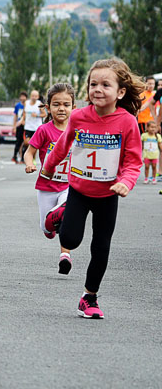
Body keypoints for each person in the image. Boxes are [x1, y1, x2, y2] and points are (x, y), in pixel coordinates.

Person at [42, 58, 143, 319]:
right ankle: (60, 214)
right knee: (70, 240)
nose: (97, 89)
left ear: (120, 92)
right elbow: (63, 146)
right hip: (79, 189)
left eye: (105, 85)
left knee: (101, 247)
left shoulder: (128, 122)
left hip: (108, 194)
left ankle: (90, 297)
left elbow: (134, 161)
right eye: (92, 84)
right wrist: (49, 167)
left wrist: (126, 182)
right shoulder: (79, 117)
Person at [24, 83, 76, 275]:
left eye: (66, 104)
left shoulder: (77, 130)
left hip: (69, 186)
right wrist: (29, 164)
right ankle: (48, 228)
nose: (61, 108)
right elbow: (29, 152)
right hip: (46, 186)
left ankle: (65, 256)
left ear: (73, 107)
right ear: (48, 107)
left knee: (65, 217)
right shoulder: (44, 130)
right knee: (47, 229)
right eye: (56, 104)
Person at [21, 90, 42, 161]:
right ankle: (28, 155)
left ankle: (33, 158)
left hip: (36, 127)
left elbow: (44, 114)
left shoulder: (39, 104)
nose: (34, 97)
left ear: (38, 97)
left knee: (34, 144)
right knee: (27, 142)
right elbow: (24, 112)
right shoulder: (26, 103)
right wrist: (23, 120)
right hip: (28, 126)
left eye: (36, 96)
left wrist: (37, 115)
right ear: (30, 96)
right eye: (33, 96)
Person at [12, 91, 28, 163]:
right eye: (21, 96)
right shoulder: (18, 105)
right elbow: (15, 116)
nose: (22, 98)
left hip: (26, 126)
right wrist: (14, 126)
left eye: (24, 96)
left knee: (26, 142)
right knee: (18, 142)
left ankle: (23, 158)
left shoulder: (28, 105)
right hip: (19, 125)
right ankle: (15, 156)